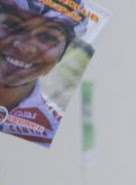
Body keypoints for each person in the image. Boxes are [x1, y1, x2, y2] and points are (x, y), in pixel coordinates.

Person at [0, 0, 88, 146]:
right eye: (11, 24)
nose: (24, 47)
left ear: (62, 55)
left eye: (47, 37)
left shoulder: (52, 131)